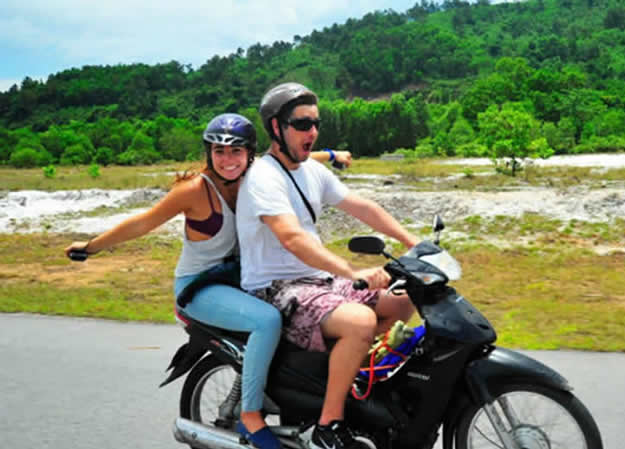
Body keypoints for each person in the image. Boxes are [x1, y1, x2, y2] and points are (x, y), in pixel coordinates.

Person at [64, 112, 351, 449]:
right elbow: (143, 222)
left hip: (239, 282)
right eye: (219, 152)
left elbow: (295, 157)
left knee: (309, 311)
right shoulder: (194, 191)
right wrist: (91, 247)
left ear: (249, 154)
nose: (227, 161)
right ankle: (250, 417)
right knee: (267, 321)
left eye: (236, 152)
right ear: (208, 154)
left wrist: (332, 155)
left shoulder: (256, 178)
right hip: (200, 288)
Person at [236, 82, 420, 449]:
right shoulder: (263, 178)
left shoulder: (311, 172)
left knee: (406, 298)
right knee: (360, 321)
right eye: (302, 124)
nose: (313, 132)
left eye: (316, 123)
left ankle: (347, 375)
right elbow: (292, 237)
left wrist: (412, 241)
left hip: (316, 282)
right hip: (276, 288)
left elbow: (361, 206)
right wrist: (350, 273)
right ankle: (328, 425)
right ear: (276, 128)